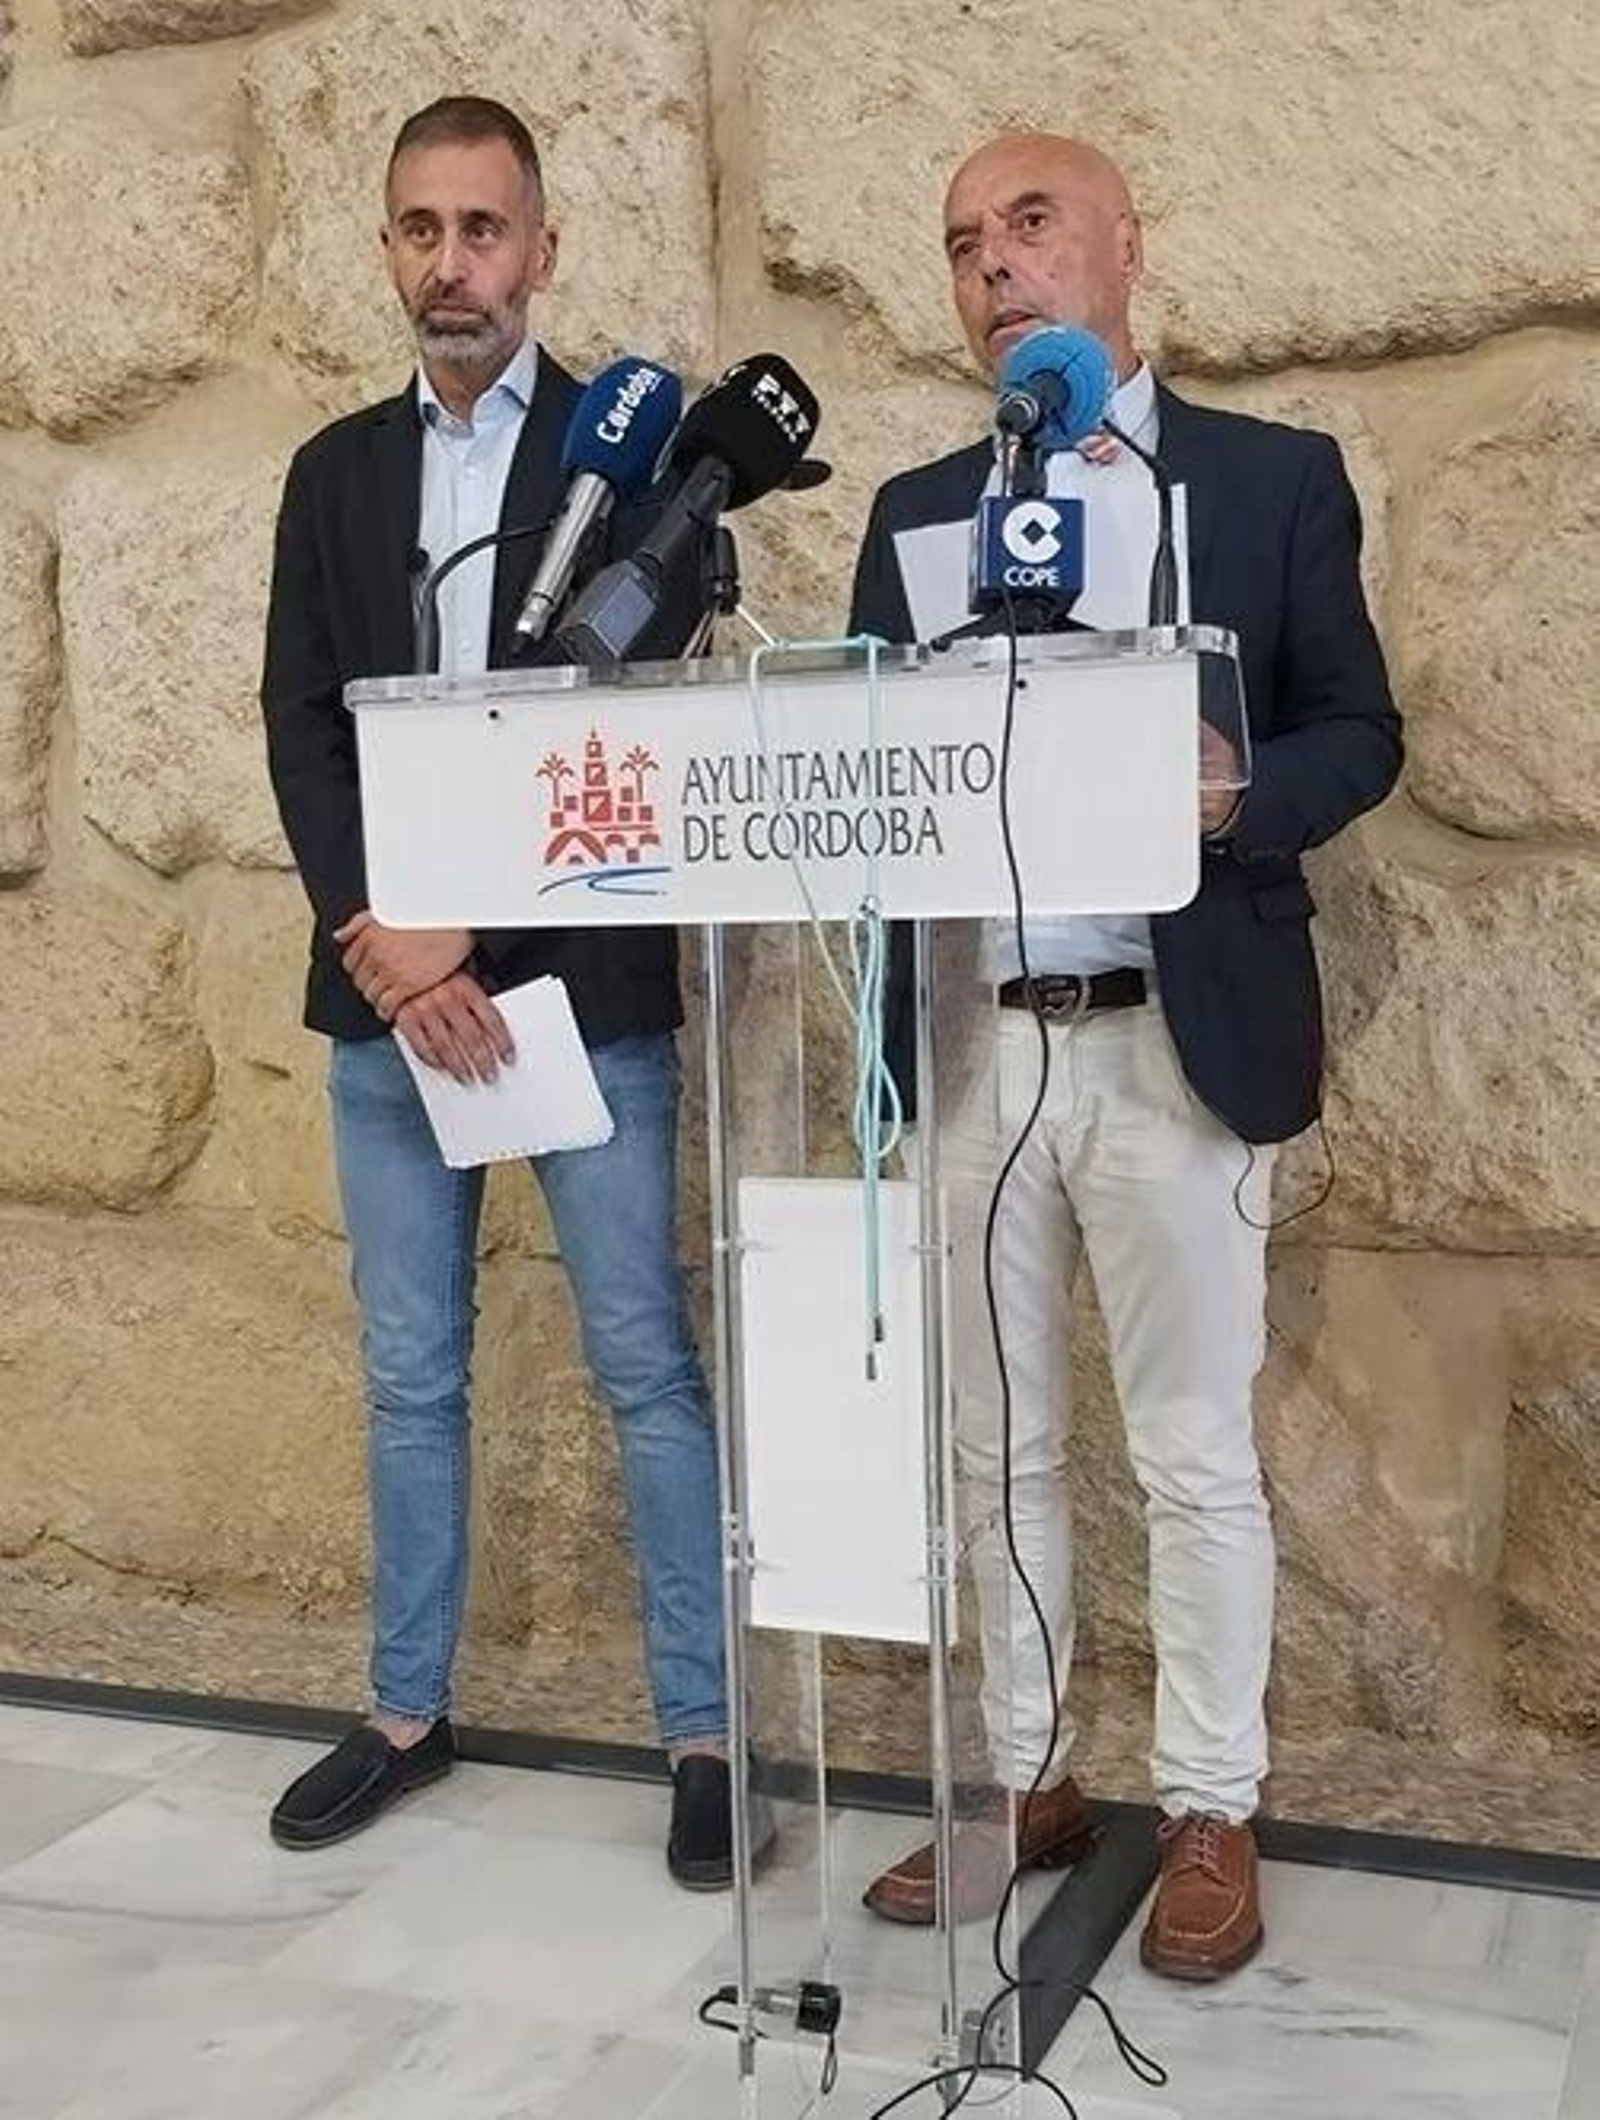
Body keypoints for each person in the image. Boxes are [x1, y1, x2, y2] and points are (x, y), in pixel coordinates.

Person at [848, 132, 1402, 1976]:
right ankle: (1027, 1777)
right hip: (979, 1053)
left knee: (1188, 1454)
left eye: (1028, 226)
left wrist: (1238, 792)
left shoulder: (1268, 482)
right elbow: (864, 774)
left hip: (1179, 1044)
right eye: (959, 247)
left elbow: (1362, 731)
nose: (994, 269)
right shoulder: (919, 514)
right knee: (999, 1453)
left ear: (1122, 253)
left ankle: (1213, 1806)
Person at [260, 95, 743, 1889]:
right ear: (387, 248)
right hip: (390, 1002)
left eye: (482, 229)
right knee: (409, 1375)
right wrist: (384, 937)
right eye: (418, 229)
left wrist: (479, 935)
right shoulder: (334, 475)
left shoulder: (636, 461)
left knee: (644, 1365)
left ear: (541, 250)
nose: (449, 264)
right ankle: (407, 1713)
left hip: (577, 995)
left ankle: (701, 1734)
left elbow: (628, 729)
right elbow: (303, 723)